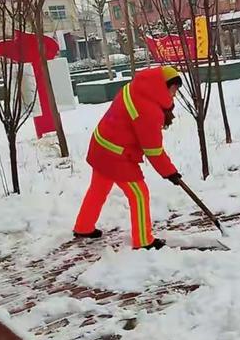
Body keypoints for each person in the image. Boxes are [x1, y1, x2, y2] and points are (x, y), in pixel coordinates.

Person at [73, 66, 183, 250]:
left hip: (101, 144)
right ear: (162, 86)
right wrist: (170, 172)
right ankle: (143, 240)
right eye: (172, 90)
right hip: (115, 154)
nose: (174, 95)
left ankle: (83, 227)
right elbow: (153, 150)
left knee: (98, 188)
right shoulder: (149, 111)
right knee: (139, 194)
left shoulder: (136, 88)